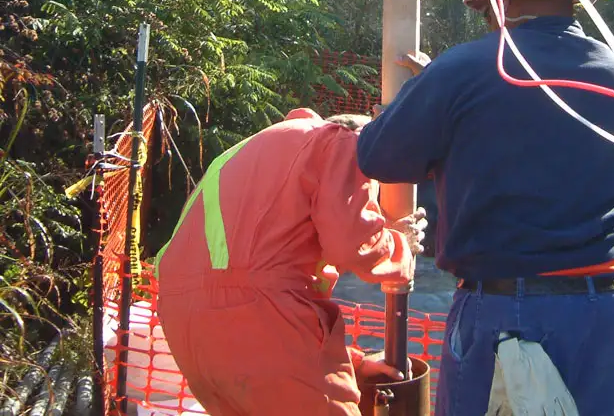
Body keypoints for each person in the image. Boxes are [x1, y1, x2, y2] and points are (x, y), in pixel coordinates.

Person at [356, 0, 614, 416]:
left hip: (510, 314)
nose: (489, 21)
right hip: (605, 314)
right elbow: (538, 126)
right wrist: (450, 92)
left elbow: (380, 156)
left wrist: (428, 95)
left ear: (505, 2)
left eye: (489, 9)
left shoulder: (467, 67)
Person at [154, 109, 427, 416]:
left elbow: (236, 306)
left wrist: (355, 364)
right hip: (256, 315)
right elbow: (351, 244)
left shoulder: (262, 153)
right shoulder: (344, 141)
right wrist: (400, 243)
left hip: (186, 326)